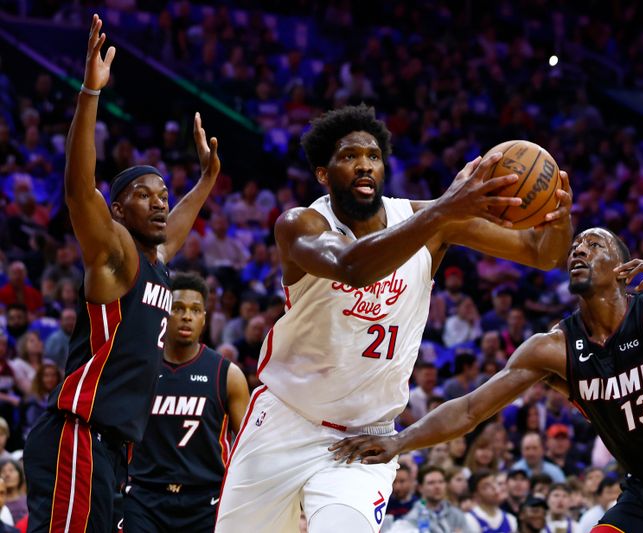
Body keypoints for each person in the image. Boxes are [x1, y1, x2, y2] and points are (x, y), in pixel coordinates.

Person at [216, 104, 573, 533]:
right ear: (323, 175)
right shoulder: (300, 225)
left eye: (373, 156)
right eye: (349, 157)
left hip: (364, 437)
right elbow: (353, 267)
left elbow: (543, 254)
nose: (364, 165)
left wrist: (557, 215)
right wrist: (442, 209)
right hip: (284, 422)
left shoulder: (429, 220)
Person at [332, 227, 643, 533]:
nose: (579, 251)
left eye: (594, 246)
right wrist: (400, 441)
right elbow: (472, 409)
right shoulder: (551, 349)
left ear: (622, 268)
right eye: (575, 248)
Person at [23, 14, 221, 533]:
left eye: (163, 195)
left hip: (114, 450)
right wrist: (91, 90)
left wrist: (205, 180)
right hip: (78, 435)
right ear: (116, 210)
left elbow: (173, 229)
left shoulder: (156, 262)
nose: (160, 204)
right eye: (144, 196)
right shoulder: (116, 256)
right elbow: (77, 187)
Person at [123, 273, 249, 532]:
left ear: (204, 318)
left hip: (206, 500)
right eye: (177, 308)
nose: (187, 316)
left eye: (195, 310)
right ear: (163, 314)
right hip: (144, 497)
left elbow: (249, 445)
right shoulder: (139, 370)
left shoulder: (227, 374)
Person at [398, 465, 471, 533]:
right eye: (431, 483)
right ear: (420, 488)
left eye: (441, 482)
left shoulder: (456, 514)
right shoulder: (413, 518)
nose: (437, 486)